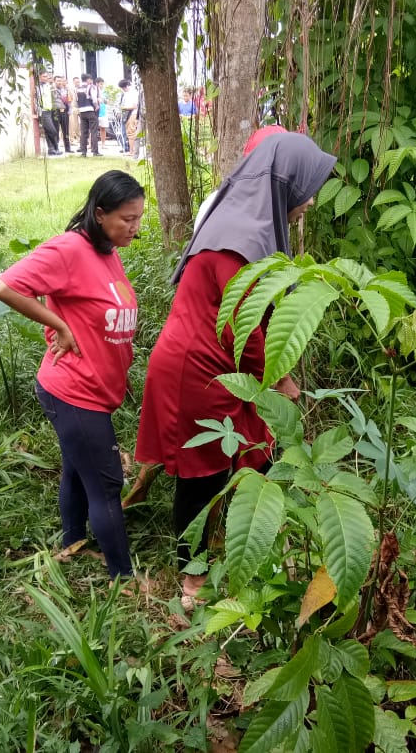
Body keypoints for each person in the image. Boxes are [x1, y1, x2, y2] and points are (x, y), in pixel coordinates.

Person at [134, 132, 336, 600]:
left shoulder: (251, 221)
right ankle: (194, 581)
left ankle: (260, 552)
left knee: (259, 456)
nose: (309, 202)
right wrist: (282, 378)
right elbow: (242, 328)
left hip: (223, 365)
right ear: (285, 183)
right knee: (201, 475)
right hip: (199, 370)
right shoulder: (240, 238)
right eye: (307, 189)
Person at [0, 170, 144, 582]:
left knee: (79, 468)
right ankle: (123, 577)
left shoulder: (107, 248)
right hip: (72, 389)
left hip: (97, 386)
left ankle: (72, 541)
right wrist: (57, 325)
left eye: (139, 217)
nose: (135, 227)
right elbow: (4, 287)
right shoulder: (68, 249)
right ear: (99, 213)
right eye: (127, 219)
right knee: (107, 482)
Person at [35, 70, 61, 156]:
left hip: (50, 111)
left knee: (48, 131)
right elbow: (36, 100)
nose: (46, 78)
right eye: (44, 76)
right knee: (53, 131)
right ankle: (56, 148)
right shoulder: (38, 87)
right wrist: (38, 112)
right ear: (40, 77)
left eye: (47, 76)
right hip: (43, 112)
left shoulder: (48, 86)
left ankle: (51, 149)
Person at [76, 74, 100, 157]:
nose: (91, 81)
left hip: (82, 112)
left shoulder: (78, 88)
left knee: (83, 133)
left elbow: (76, 100)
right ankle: (95, 152)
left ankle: (83, 152)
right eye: (91, 79)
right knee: (94, 131)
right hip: (90, 110)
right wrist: (96, 106)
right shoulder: (91, 87)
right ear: (88, 80)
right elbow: (94, 98)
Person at [118, 79, 140, 157]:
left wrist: (123, 107)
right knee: (129, 133)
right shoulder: (128, 93)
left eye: (123, 88)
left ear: (126, 86)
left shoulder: (132, 93)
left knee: (131, 133)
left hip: (132, 114)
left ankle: (132, 151)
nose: (123, 90)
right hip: (129, 115)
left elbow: (134, 106)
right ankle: (131, 150)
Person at [53, 75, 73, 153]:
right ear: (54, 81)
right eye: (58, 81)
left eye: (61, 81)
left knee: (66, 131)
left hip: (64, 112)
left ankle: (67, 148)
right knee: (56, 131)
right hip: (55, 112)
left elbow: (69, 101)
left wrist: (70, 110)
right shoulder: (52, 90)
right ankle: (56, 148)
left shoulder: (65, 90)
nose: (60, 82)